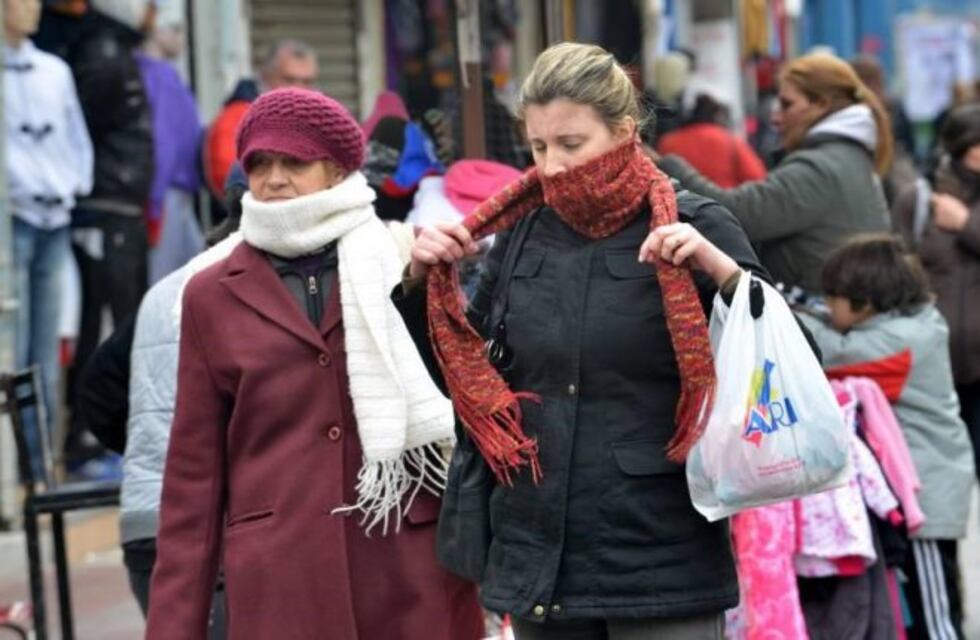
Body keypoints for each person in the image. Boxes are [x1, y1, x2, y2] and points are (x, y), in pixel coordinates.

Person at [394, 42, 772, 639]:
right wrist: (423, 286)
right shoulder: (519, 233)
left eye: (571, 145)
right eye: (538, 147)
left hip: (660, 563)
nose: (552, 168)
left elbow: (788, 364)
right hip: (542, 558)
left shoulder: (694, 225)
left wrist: (723, 273)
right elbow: (468, 387)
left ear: (623, 131)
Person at [145, 88, 483, 640]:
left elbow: (471, 400)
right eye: (260, 163)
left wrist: (427, 292)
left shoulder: (405, 260)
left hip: (407, 564)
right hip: (283, 579)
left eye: (294, 162)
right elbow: (192, 482)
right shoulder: (210, 294)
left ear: (335, 170)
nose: (274, 179)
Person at [798, 234, 975, 640]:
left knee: (937, 618)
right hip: (915, 493)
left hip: (928, 500)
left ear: (864, 304)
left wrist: (776, 310)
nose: (826, 307)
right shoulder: (911, 322)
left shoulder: (901, 343)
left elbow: (831, 351)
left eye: (833, 299)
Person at [658, 52, 893, 294]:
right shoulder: (849, 156)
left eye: (787, 104)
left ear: (821, 105)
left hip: (820, 317)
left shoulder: (818, 169)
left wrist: (664, 165)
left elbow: (735, 213)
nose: (776, 117)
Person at [4, 0, 93, 478]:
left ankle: (38, 467)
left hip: (53, 218)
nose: (31, 9)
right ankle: (12, 470)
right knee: (9, 349)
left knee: (45, 349)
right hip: (11, 218)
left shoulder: (54, 70)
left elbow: (76, 136)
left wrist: (73, 184)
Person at [893, 103, 980, 489]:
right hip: (932, 367)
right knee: (937, 481)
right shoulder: (918, 200)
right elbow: (896, 273)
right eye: (971, 146)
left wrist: (966, 224)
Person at [202, 38, 317, 205]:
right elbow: (229, 182)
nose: (298, 89)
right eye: (289, 79)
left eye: (307, 82)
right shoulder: (238, 115)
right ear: (265, 76)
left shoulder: (317, 118)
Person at [137, 15, 204, 284]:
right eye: (175, 29)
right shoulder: (159, 76)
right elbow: (163, 143)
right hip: (166, 195)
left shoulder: (159, 74)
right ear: (155, 31)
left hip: (174, 195)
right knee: (170, 284)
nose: (181, 39)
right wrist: (154, 204)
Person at [656, 92, 767, 188]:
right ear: (717, 115)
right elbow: (757, 177)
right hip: (724, 207)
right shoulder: (729, 140)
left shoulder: (668, 142)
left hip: (681, 207)